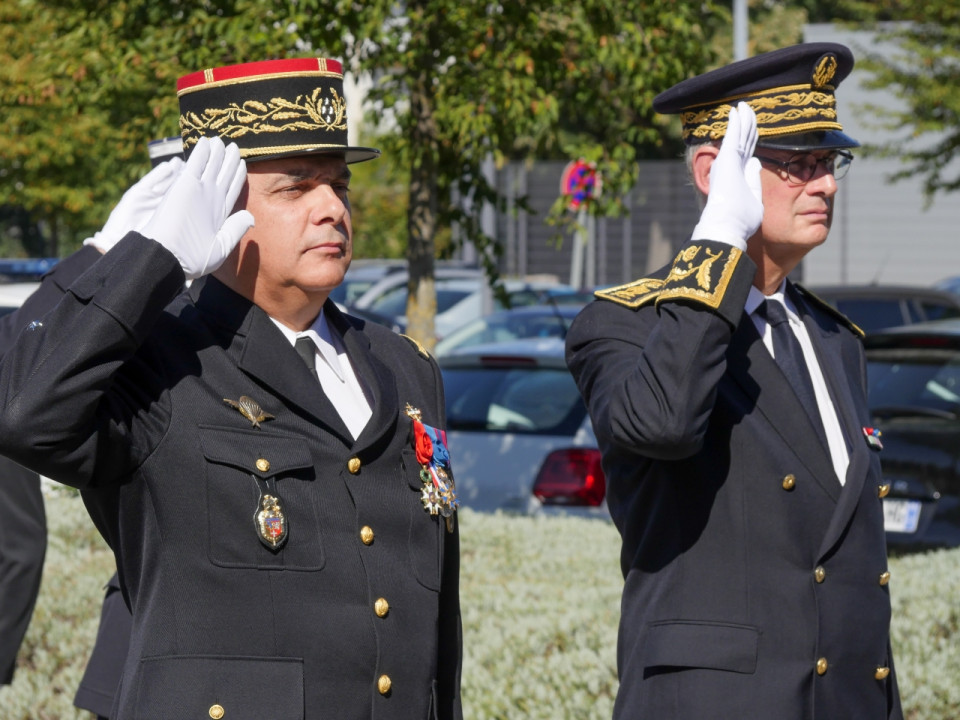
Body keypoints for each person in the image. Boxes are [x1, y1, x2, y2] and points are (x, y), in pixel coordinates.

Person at [0, 57, 461, 720]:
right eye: (295, 188)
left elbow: (434, 628)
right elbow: (22, 413)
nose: (332, 208)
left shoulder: (404, 368)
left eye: (338, 185)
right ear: (218, 210)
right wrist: (129, 260)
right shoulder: (160, 360)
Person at [566, 43, 902, 719]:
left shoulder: (836, 340)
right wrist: (718, 237)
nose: (826, 184)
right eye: (797, 164)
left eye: (828, 162)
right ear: (714, 172)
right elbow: (663, 422)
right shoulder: (628, 324)